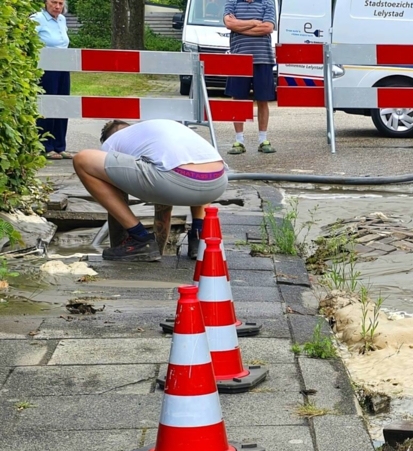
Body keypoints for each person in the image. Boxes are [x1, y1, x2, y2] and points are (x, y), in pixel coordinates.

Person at [72, 120, 228, 262]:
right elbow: (163, 206)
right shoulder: (155, 133)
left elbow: (114, 191)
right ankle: (199, 237)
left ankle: (139, 239)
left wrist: (126, 243)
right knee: (190, 169)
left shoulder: (112, 144)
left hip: (177, 181)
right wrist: (158, 251)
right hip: (217, 182)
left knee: (82, 160)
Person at [223, 0, 277, 155]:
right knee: (238, 101)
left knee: (263, 100)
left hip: (263, 58)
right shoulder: (232, 2)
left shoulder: (267, 2)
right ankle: (239, 141)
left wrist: (239, 26)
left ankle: (263, 140)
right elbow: (229, 24)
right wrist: (254, 22)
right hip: (238, 59)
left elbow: (268, 27)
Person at [32, 0, 73, 161]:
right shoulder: (38, 18)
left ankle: (59, 146)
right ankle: (46, 146)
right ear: (45, 2)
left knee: (63, 104)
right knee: (48, 105)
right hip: (46, 68)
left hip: (63, 66)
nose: (57, 7)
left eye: (60, 3)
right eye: (53, 2)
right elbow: (30, 42)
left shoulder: (62, 19)